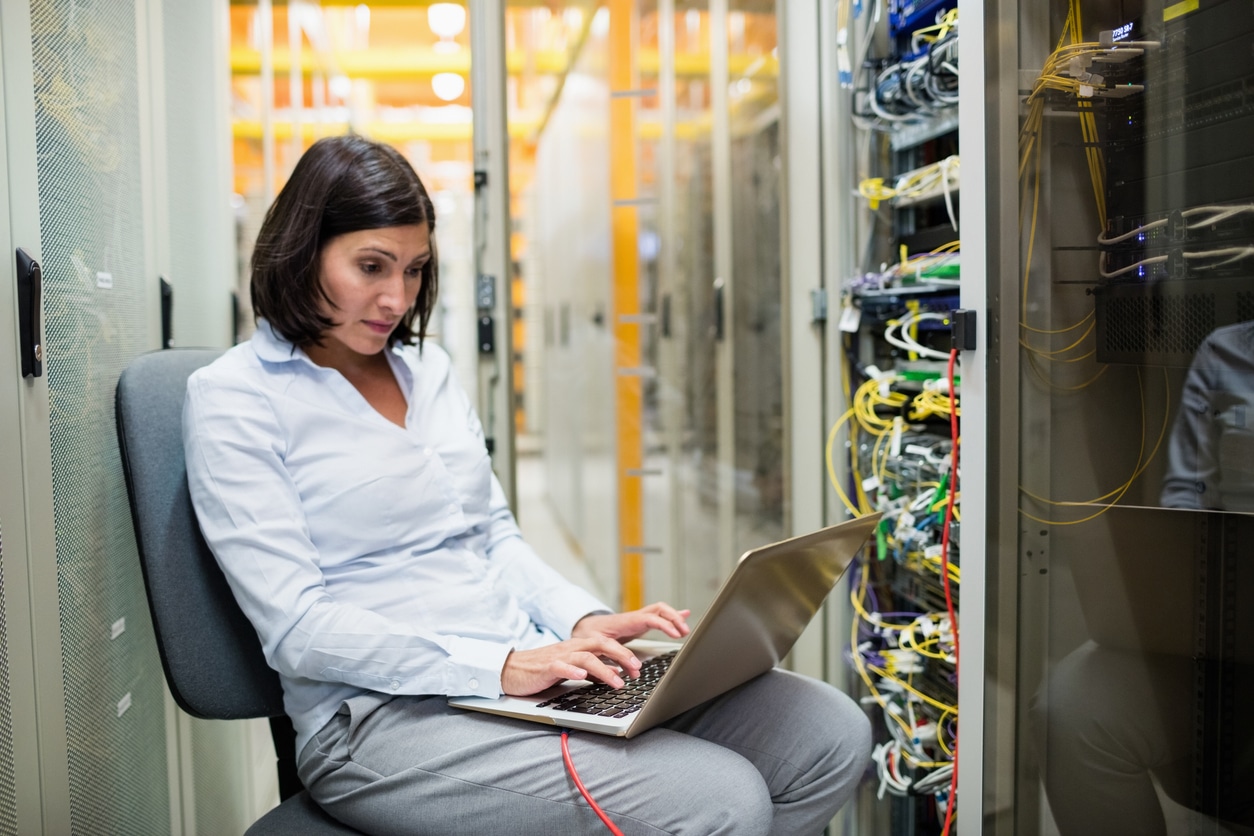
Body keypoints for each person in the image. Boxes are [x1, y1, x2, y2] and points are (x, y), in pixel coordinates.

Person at [183, 134, 871, 835]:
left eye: (416, 270)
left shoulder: (430, 372)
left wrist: (578, 622)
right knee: (723, 800)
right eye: (371, 266)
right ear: (303, 252)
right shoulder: (236, 398)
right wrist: (500, 666)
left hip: (524, 673)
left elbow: (493, 539)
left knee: (826, 734)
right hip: (379, 719)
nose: (397, 297)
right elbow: (298, 628)